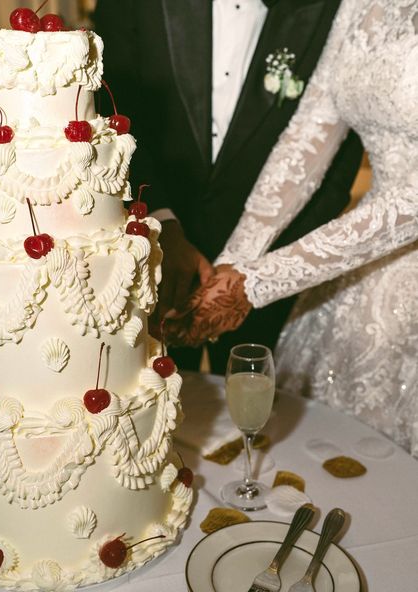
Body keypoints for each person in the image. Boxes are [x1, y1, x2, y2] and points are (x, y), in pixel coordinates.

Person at [166, 0, 418, 456]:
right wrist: (235, 262)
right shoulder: (360, 5)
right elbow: (308, 135)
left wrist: (260, 280)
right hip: (361, 259)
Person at [93, 0, 363, 373]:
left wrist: (259, 273)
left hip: (268, 281)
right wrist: (159, 221)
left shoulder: (331, 9)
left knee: (261, 420)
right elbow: (108, 113)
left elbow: (335, 174)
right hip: (146, 260)